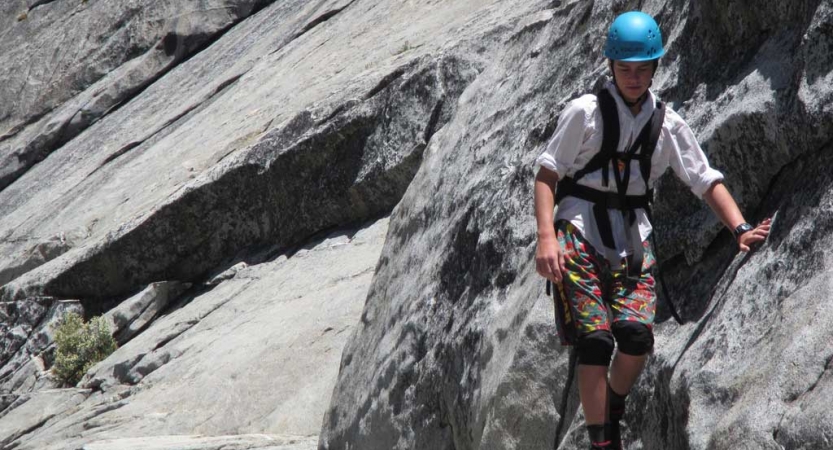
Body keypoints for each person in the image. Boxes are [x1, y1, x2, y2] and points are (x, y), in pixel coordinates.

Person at [533, 11, 771, 450]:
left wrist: (739, 227)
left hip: (631, 240)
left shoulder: (667, 124)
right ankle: (603, 442)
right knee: (595, 340)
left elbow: (705, 178)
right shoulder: (583, 113)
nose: (634, 77)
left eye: (643, 68)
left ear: (656, 68)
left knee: (637, 338)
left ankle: (613, 407)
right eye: (625, 68)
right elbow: (547, 175)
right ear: (610, 66)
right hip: (577, 232)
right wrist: (546, 237)